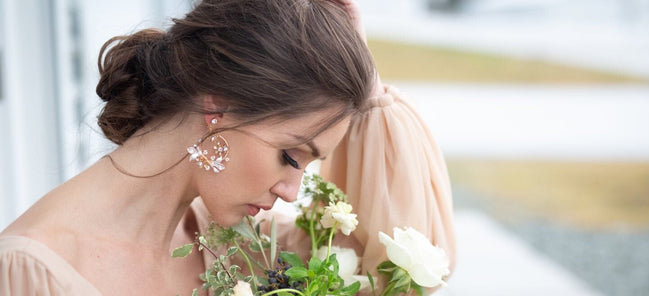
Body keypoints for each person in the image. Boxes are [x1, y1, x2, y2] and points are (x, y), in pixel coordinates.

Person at [0, 0, 456, 295]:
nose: (293, 192)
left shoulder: (249, 247)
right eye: (292, 156)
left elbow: (409, 267)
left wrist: (363, 78)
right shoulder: (27, 273)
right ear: (218, 104)